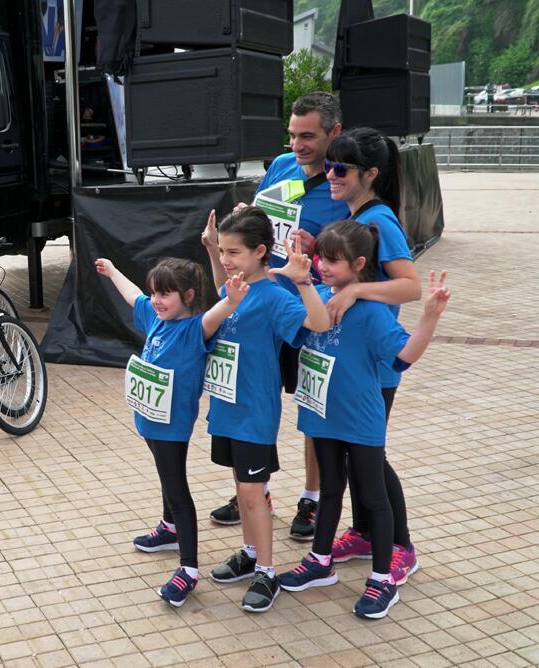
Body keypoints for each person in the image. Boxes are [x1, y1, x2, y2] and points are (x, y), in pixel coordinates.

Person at [277, 221, 450, 620]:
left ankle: (383, 578)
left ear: (358, 264)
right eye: (321, 258)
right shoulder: (318, 295)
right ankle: (320, 561)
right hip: (320, 414)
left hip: (360, 419)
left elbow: (402, 358)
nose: (323, 267)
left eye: (333, 262)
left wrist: (430, 318)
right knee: (331, 488)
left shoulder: (371, 311)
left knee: (372, 497)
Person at [210, 91, 350, 542]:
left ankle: (311, 496)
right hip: (262, 305)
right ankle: (256, 490)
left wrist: (321, 245)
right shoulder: (281, 165)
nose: (297, 145)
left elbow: (361, 248)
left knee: (310, 407)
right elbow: (260, 222)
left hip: (311, 311)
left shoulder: (344, 182)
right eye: (292, 135)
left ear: (334, 133)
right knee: (254, 399)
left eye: (307, 136)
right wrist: (242, 219)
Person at [95, 256, 249, 607]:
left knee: (177, 489)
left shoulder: (195, 329)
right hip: (148, 420)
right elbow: (134, 296)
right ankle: (169, 528)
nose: (156, 300)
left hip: (172, 428)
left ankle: (189, 569)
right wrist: (114, 270)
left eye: (165, 294)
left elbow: (217, 313)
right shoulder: (155, 317)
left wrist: (232, 299)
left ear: (188, 295)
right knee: (166, 480)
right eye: (155, 293)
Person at [200, 207, 330, 612]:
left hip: (255, 410)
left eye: (233, 252)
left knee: (253, 494)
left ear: (261, 251)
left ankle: (267, 572)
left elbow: (319, 324)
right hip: (225, 406)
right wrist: (209, 248)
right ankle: (250, 553)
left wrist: (304, 281)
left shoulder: (275, 296)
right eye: (223, 249)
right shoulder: (233, 288)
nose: (226, 259)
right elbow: (224, 292)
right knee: (242, 490)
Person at [323, 127, 423, 585]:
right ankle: (365, 533)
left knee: (370, 458)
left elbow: (410, 285)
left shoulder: (380, 219)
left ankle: (400, 545)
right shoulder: (360, 216)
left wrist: (359, 287)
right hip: (354, 361)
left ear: (371, 174)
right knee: (352, 458)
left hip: (378, 362)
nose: (330, 174)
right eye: (328, 165)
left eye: (340, 168)